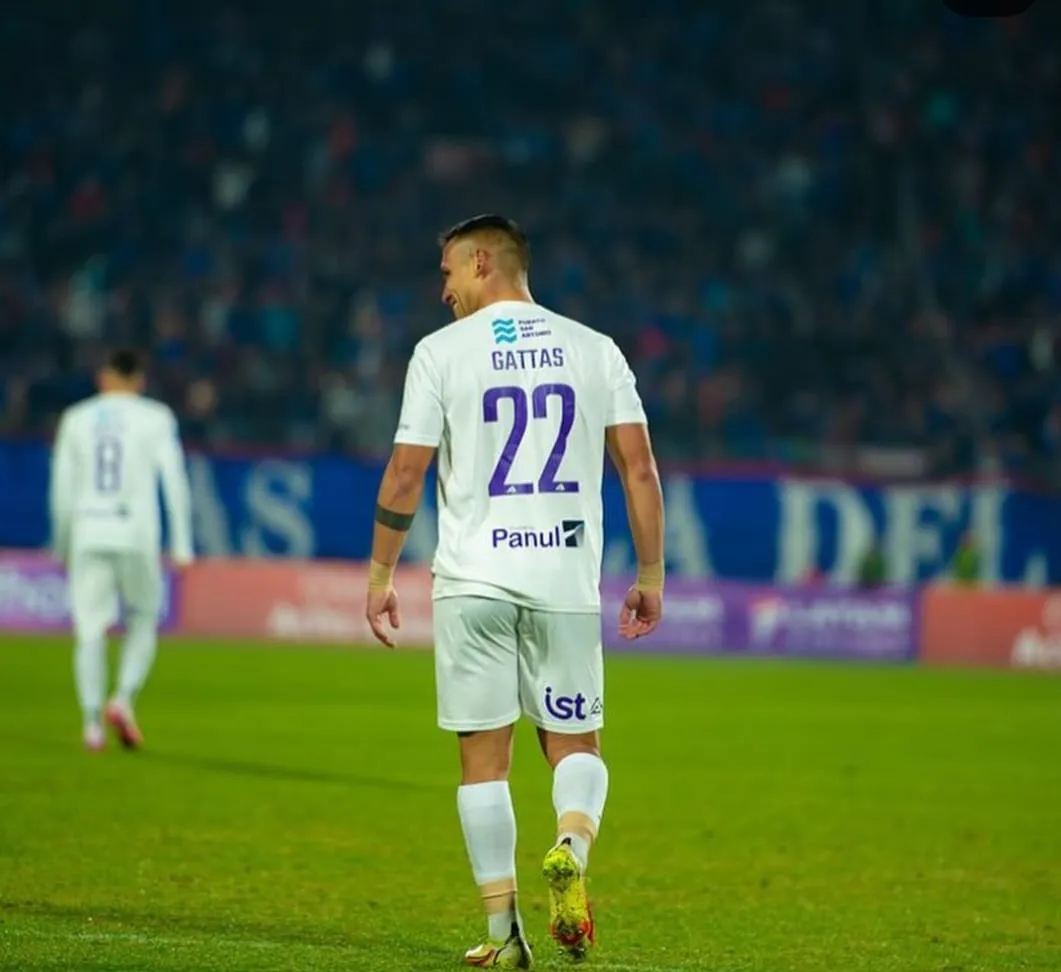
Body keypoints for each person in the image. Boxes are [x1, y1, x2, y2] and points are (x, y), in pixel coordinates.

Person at [364, 215, 665, 968]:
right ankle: (571, 844)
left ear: (484, 261)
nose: (443, 291)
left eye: (448, 273)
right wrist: (650, 575)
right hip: (562, 580)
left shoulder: (439, 355)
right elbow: (638, 470)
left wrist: (378, 573)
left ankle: (502, 936)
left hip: (471, 582)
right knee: (574, 746)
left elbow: (404, 473)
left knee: (482, 762)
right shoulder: (596, 350)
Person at [49, 349, 194, 752]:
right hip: (135, 533)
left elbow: (62, 489)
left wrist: (62, 543)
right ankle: (123, 697)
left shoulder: (76, 419)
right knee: (145, 617)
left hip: (88, 530)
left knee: (90, 629)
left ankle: (92, 725)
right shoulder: (156, 417)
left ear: (103, 378)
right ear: (140, 381)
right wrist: (181, 543)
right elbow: (175, 481)